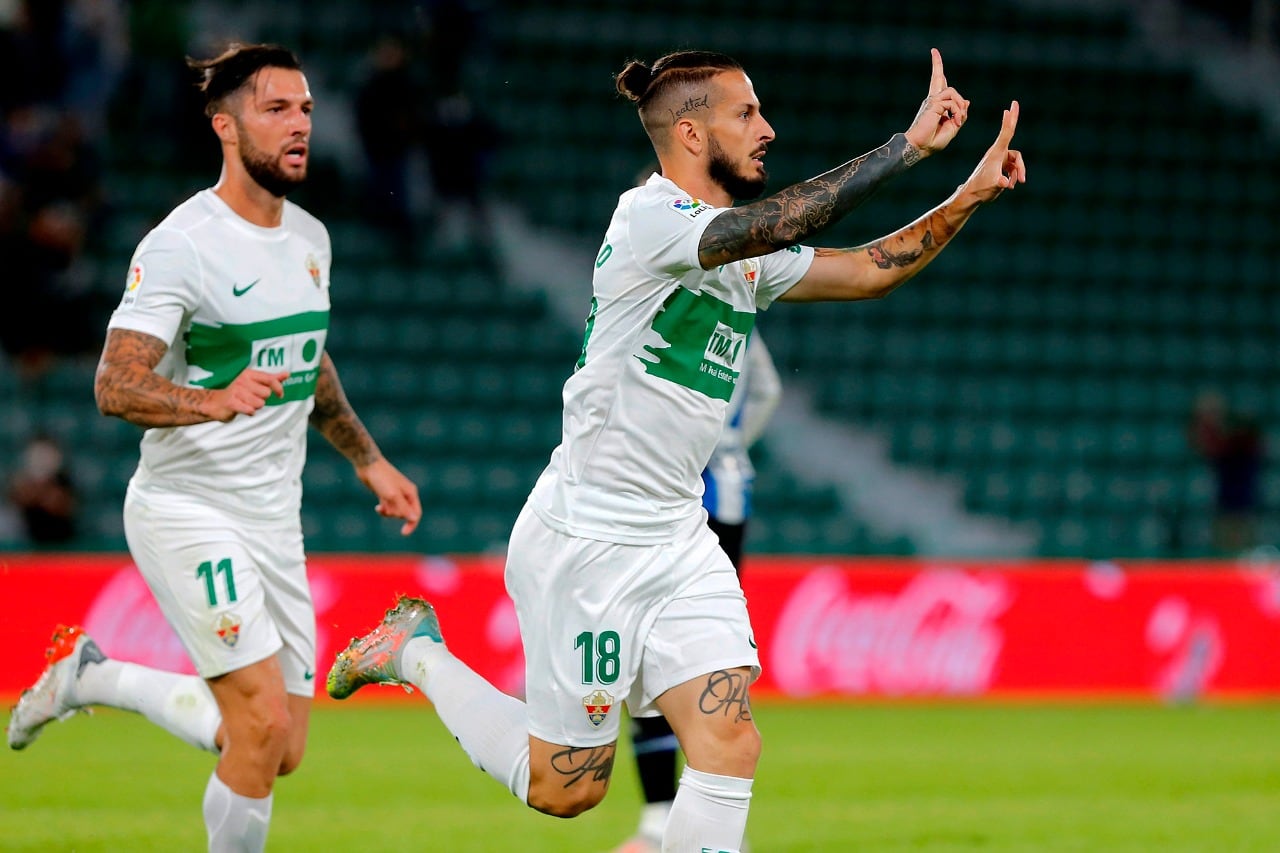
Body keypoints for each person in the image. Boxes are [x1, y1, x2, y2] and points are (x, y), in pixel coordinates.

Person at [326, 48, 1023, 852]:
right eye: (747, 114)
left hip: (679, 536)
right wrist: (906, 149)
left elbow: (869, 271)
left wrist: (967, 196)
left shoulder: (740, 255)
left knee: (731, 741)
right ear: (691, 134)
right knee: (567, 786)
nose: (768, 128)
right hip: (589, 538)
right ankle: (416, 653)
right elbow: (778, 222)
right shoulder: (649, 218)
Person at [5, 43, 421, 853]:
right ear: (225, 127)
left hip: (274, 520)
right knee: (260, 725)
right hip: (187, 509)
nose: (300, 124)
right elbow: (113, 383)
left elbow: (309, 360)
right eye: (277, 109)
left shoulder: (311, 238)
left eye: (306, 108)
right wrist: (211, 399)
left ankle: (96, 675)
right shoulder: (183, 245)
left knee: (279, 746)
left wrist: (367, 457)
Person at [612, 334, 781, 853]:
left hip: (668, 492)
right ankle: (719, 821)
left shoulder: (671, 314)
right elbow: (767, 390)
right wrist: (733, 446)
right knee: (712, 652)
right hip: (728, 493)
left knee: (648, 649)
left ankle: (660, 816)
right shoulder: (740, 320)